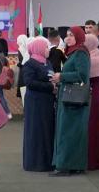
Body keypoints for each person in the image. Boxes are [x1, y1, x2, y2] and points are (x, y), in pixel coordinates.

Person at [52, 31, 94, 176]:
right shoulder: (75, 53)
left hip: (73, 100)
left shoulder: (80, 53)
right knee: (73, 132)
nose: (67, 37)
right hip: (71, 98)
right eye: (67, 34)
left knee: (68, 132)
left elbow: (82, 75)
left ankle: (65, 165)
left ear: (79, 37)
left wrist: (61, 76)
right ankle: (74, 165)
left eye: (71, 35)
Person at [19, 36, 55, 173]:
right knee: (36, 131)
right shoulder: (30, 64)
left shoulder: (47, 63)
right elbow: (30, 83)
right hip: (35, 103)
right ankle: (35, 163)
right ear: (39, 48)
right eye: (46, 47)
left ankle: (48, 162)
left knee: (47, 130)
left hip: (47, 102)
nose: (48, 49)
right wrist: (50, 87)